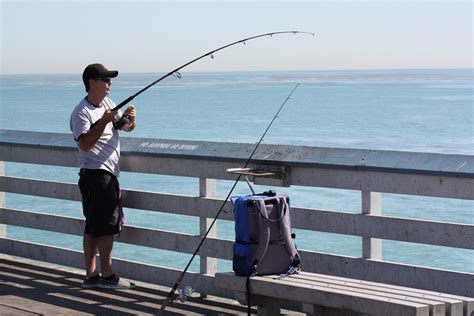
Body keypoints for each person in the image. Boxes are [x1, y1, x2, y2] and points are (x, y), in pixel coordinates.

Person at [70, 63, 137, 289]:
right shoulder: (82, 112)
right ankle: (106, 275)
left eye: (110, 80)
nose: (109, 84)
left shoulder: (108, 103)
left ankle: (91, 276)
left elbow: (124, 127)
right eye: (105, 79)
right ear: (92, 82)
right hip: (96, 175)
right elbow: (86, 143)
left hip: (106, 174)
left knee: (93, 225)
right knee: (106, 225)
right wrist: (105, 122)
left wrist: (130, 119)